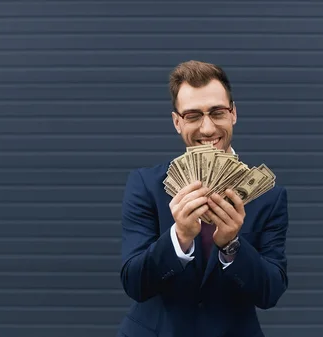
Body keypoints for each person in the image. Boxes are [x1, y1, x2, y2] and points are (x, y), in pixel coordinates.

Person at [117, 60, 289, 337]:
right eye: (193, 116)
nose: (207, 129)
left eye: (217, 112)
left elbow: (270, 293)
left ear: (233, 114)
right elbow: (135, 285)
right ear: (177, 122)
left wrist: (232, 245)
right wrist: (179, 238)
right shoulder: (146, 185)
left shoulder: (268, 195)